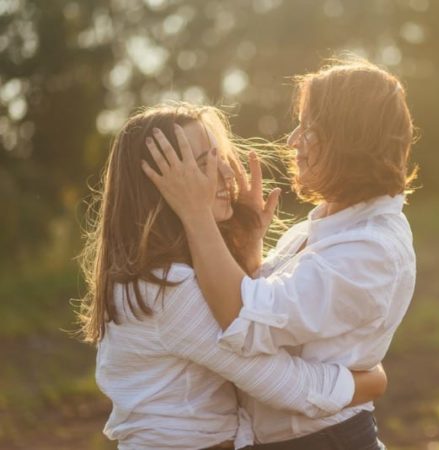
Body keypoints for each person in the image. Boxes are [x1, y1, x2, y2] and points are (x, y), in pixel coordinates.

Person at [78, 103, 388, 450]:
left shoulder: (162, 274)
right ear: (160, 185)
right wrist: (368, 383)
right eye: (203, 164)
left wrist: (248, 253)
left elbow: (245, 327)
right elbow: (279, 383)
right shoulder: (168, 288)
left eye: (222, 157)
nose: (226, 174)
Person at [143, 57, 417, 449]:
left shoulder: (372, 249)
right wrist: (250, 246)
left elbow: (244, 320)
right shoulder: (317, 226)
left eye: (308, 129)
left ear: (347, 139)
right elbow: (273, 317)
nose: (292, 142)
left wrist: (195, 213)